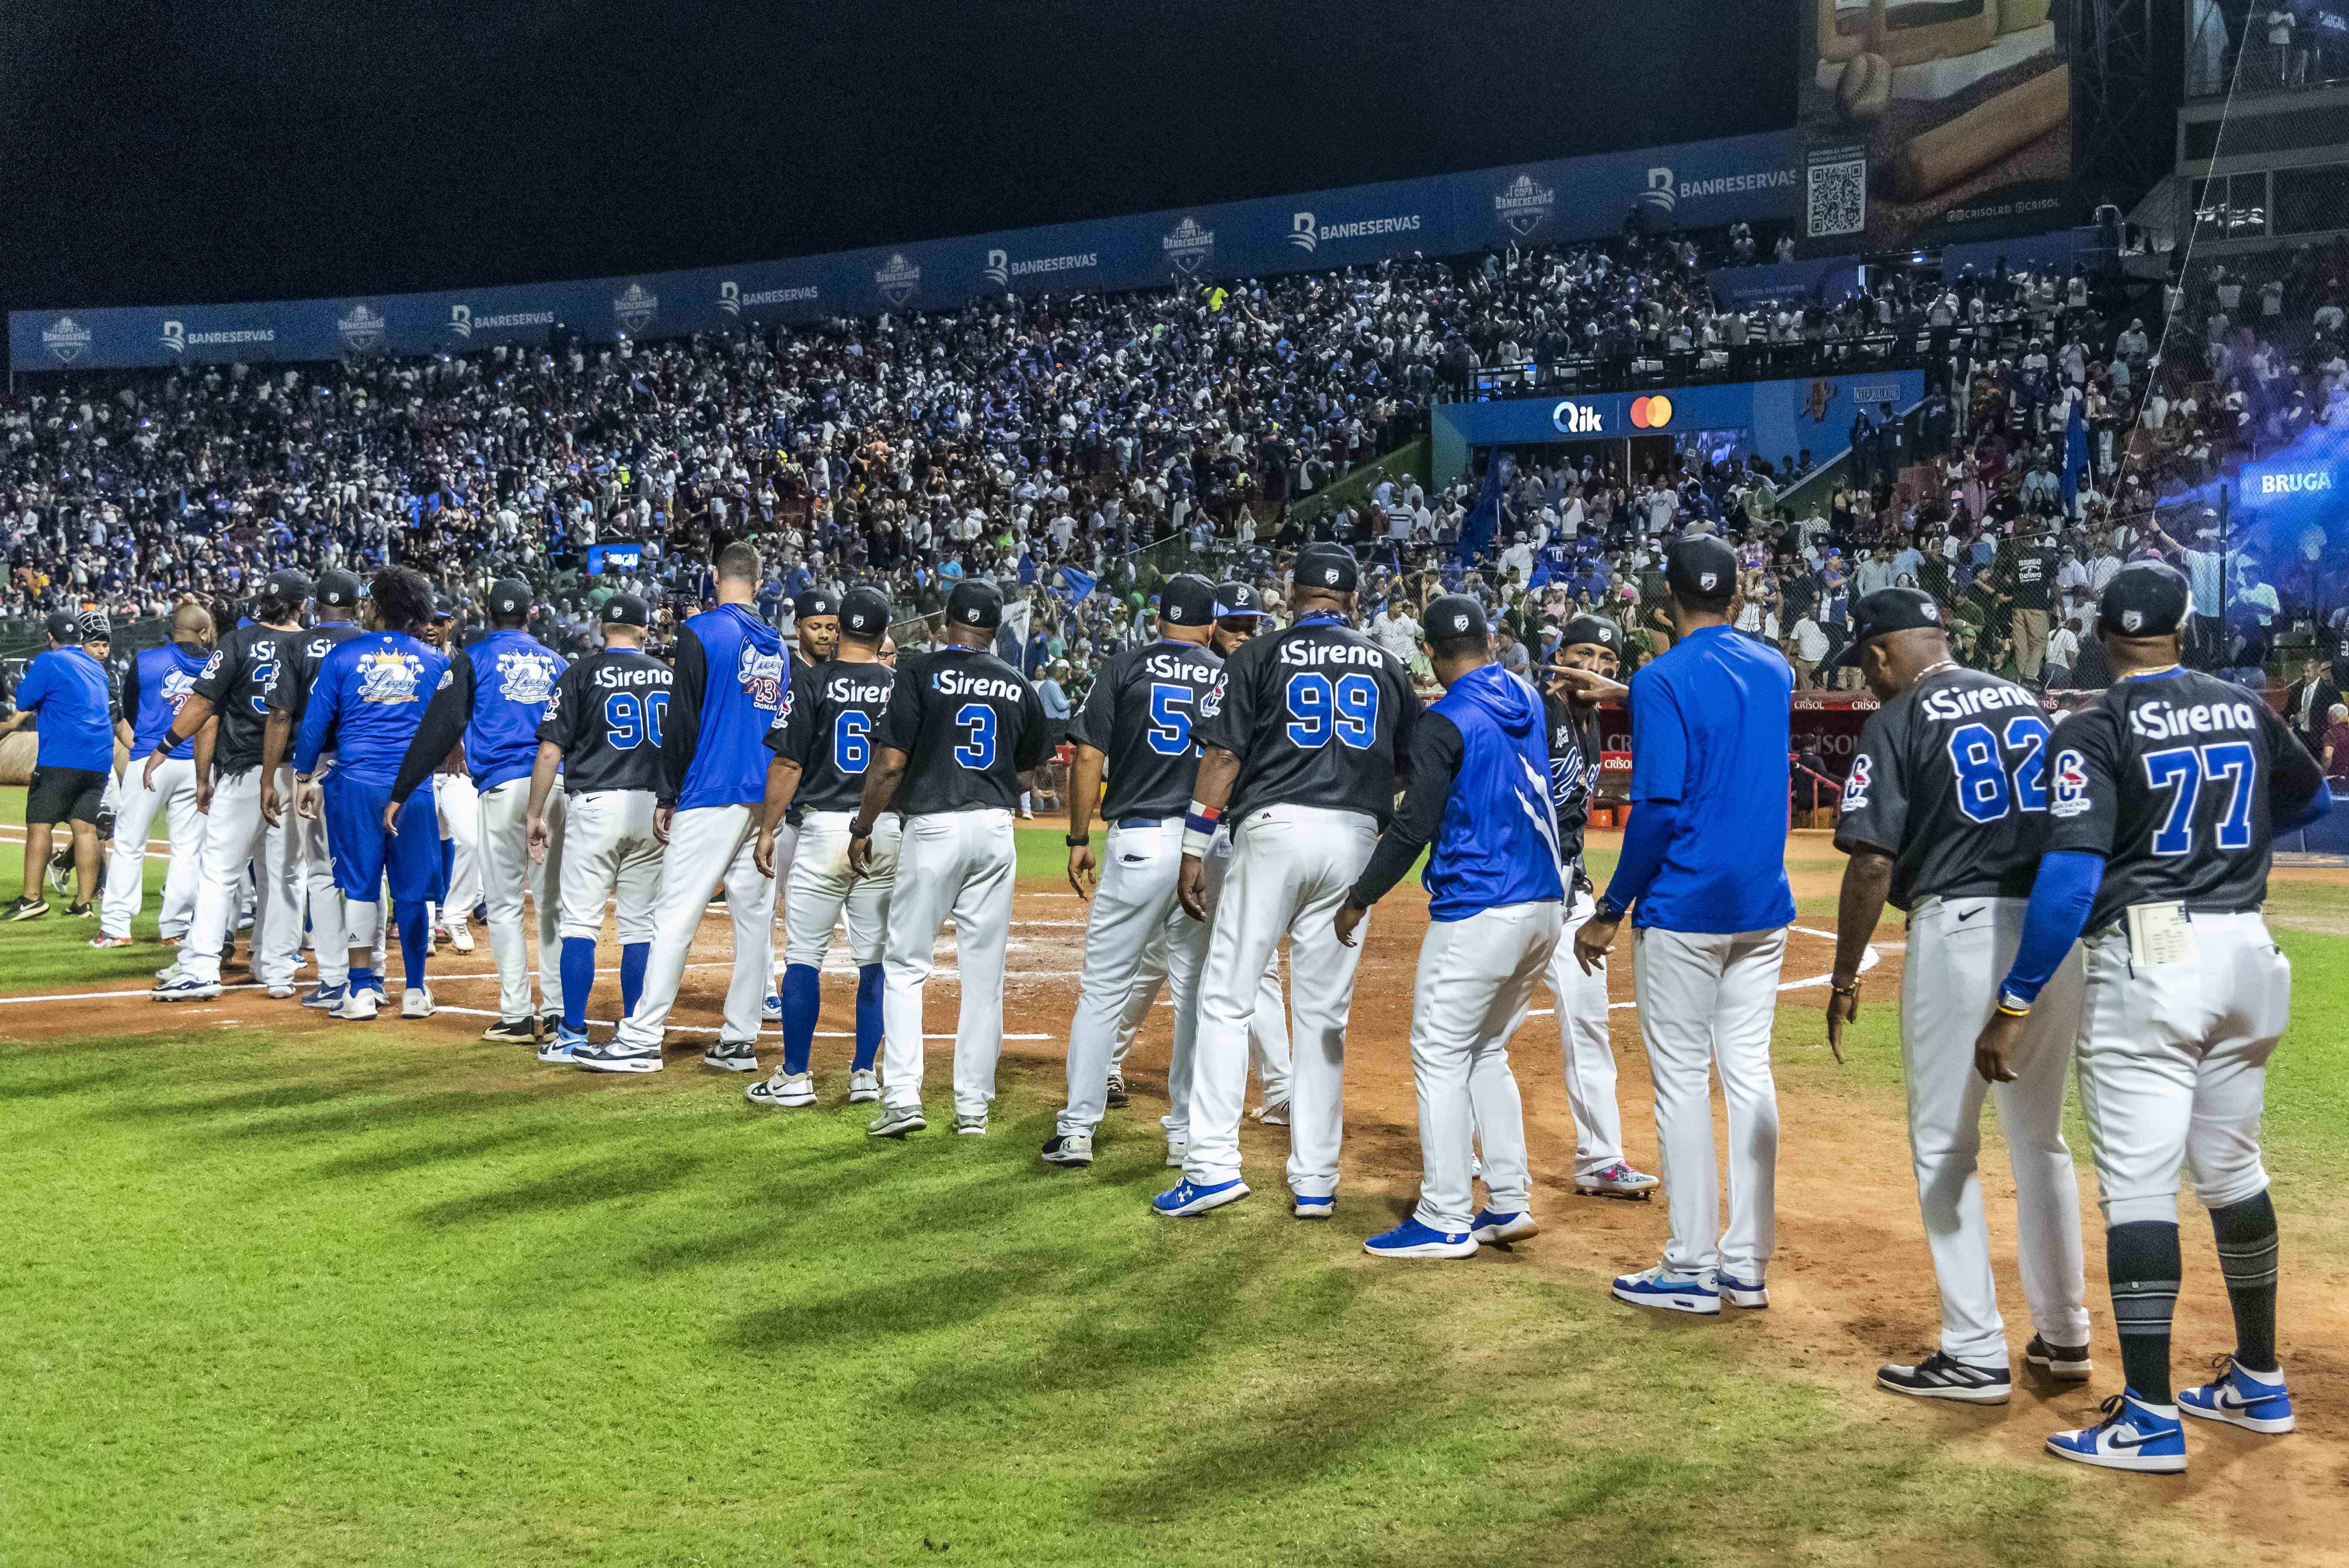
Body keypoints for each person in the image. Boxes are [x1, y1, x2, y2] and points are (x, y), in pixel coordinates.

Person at [1978, 562, 2328, 1473]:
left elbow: (2069, 879)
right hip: (2248, 952)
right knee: (2232, 1168)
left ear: (2100, 635)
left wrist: (2014, 1000)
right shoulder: (2241, 702)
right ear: (2188, 629)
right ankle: (2257, 1380)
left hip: (2154, 955)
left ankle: (2148, 1416)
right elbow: (2312, 798)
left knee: (2138, 1188)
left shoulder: (2094, 724)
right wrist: (2224, 852)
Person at [1826, 587, 2094, 1403]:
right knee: (2039, 1140)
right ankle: (2064, 1334)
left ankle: (1972, 1349)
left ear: (1879, 653)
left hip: (1963, 925)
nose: (1868, 680)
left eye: (1866, 665)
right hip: (2050, 930)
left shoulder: (1899, 716)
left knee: (1945, 1143)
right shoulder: (2029, 703)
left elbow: (1871, 860)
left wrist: (1843, 974)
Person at [1157, 543, 1421, 1217]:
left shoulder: (1257, 654)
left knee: (1226, 996)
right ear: (1353, 602)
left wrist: (1193, 848)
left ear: (1290, 593)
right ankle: (1315, 1181)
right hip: (1357, 835)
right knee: (1323, 1016)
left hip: (1272, 828)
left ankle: (1212, 1166)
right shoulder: (1389, 667)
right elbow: (1405, 767)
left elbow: (1220, 755)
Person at [1573, 535, 1794, 1315]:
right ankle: (1745, 1264)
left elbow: (1657, 809)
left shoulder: (1658, 678)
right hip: (1761, 908)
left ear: (1665, 602)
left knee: (1679, 1085)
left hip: (1685, 907)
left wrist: (1608, 910)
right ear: (1736, 598)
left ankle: (1689, 1266)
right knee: (1747, 1074)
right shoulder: (1775, 668)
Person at [1338, 595, 1564, 1258]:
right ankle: (1507, 1200)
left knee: (1439, 1054)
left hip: (1480, 907)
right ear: (1490, 642)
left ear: (1431, 654)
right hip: (1543, 905)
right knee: (1485, 1052)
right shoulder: (1525, 698)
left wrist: (1360, 896)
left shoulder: (1445, 719)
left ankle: (1441, 1215)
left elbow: (1414, 824)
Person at [578, 542, 789, 1073]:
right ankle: (740, 1040)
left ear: (716, 576)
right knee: (754, 924)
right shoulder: (779, 646)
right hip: (764, 797)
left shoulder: (703, 631)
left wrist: (668, 793)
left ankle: (641, 1037)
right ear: (759, 584)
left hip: (712, 790)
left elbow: (683, 722)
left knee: (672, 916)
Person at [850, 578, 1051, 1137]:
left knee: (907, 964)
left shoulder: (917, 671)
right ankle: (972, 1108)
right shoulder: (1017, 682)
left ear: (947, 624)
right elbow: (1028, 770)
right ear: (993, 630)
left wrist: (864, 824)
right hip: (994, 826)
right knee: (983, 977)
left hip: (934, 824)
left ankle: (902, 1097)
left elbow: (890, 763)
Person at [1042, 574, 1224, 1167]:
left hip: (1138, 840)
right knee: (1196, 992)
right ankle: (1184, 1136)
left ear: (1158, 621)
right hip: (1205, 844)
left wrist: (1076, 836)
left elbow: (1089, 755)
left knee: (1102, 992)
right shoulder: (1226, 673)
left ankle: (1076, 1131)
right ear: (1212, 624)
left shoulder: (1124, 666)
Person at [391, 579, 568, 1043]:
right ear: (531, 615)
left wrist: (404, 786)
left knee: (507, 904)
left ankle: (516, 1014)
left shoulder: (475, 657)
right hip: (557, 788)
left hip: (504, 787)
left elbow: (442, 723)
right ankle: (555, 1014)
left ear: (487, 616)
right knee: (552, 904)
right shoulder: (558, 661)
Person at [746, 586, 897, 1107]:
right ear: (883, 632)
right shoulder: (902, 685)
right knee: (875, 960)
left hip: (823, 828)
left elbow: (788, 763)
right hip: (881, 830)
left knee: (805, 957)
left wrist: (767, 829)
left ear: (841, 631)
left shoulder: (812, 681)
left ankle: (795, 1076)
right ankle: (864, 1074)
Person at [290, 567, 451, 1022]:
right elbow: (450, 726)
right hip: (414, 788)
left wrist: (304, 777)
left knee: (360, 887)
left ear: (377, 608)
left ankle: (361, 991)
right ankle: (417, 990)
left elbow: (316, 726)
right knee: (414, 892)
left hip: (357, 783)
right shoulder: (436, 660)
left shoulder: (343, 657)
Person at [1537, 616, 1658, 1199]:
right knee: (1482, 1029)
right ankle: (1464, 1139)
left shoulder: (1588, 724)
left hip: (1570, 889)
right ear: (1557, 656)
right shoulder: (1533, 710)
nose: (1596, 668)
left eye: (1608, 660)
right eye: (1583, 654)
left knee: (1588, 1021)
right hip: (1514, 887)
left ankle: (1600, 1160)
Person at [149, 572, 310, 1002]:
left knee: (220, 871)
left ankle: (200, 966)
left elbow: (204, 704)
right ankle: (276, 966)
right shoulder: (312, 645)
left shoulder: (238, 642)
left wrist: (167, 747)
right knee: (288, 875)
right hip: (296, 772)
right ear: (302, 605)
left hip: (244, 770)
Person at [525, 593, 671, 1062]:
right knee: (640, 927)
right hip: (655, 806)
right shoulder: (668, 677)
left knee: (581, 923)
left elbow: (550, 751)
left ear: (601, 627)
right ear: (645, 630)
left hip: (596, 804)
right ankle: (635, 1032)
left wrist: (535, 813)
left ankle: (571, 1033)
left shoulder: (581, 673)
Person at [260, 569, 368, 1010]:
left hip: (312, 765)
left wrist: (270, 778)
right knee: (367, 871)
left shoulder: (294, 645)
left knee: (321, 873)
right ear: (358, 605)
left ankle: (335, 977)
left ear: (313, 604)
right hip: (366, 763)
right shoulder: (372, 644)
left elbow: (281, 715)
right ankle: (371, 973)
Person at [93, 604, 215, 948]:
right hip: (196, 764)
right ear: (204, 632)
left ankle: (116, 927)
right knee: (189, 850)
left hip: (149, 758)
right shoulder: (214, 665)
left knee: (130, 844)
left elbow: (130, 711)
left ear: (172, 630)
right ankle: (175, 929)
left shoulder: (146, 661)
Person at [1, 610, 115, 921]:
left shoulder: (49, 661)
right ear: (80, 637)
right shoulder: (96, 667)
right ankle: (84, 903)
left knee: (40, 825)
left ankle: (32, 898)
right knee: (86, 830)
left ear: (51, 637)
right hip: (99, 760)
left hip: (64, 756)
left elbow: (24, 700)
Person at [761, 589, 841, 1022]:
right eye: (816, 627)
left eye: (832, 627)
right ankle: (763, 989)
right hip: (788, 815)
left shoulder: (840, 674)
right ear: (799, 630)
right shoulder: (783, 672)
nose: (826, 634)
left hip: (821, 813)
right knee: (765, 907)